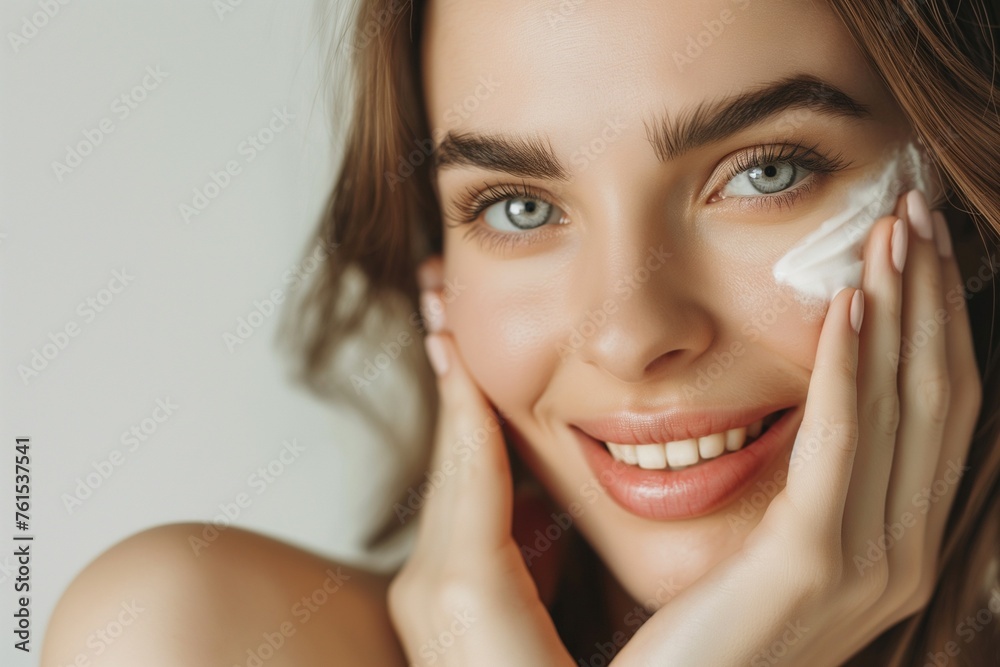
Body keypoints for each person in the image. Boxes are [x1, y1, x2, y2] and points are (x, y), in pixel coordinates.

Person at [42, 0, 999, 665]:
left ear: (963, 196)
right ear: (439, 277)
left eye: (765, 173)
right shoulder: (188, 634)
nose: (628, 334)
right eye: (521, 209)